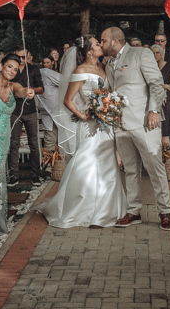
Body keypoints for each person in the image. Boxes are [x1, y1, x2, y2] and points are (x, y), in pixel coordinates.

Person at [35, 35, 127, 229]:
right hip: (90, 126)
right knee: (88, 162)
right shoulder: (81, 70)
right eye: (97, 44)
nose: (101, 45)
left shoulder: (103, 68)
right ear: (89, 51)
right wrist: (83, 115)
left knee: (109, 165)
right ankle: (80, 207)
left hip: (107, 125)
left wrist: (110, 109)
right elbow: (68, 100)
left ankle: (107, 210)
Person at [100, 27, 170, 230]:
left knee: (155, 168)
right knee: (130, 169)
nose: (101, 44)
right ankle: (133, 211)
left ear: (115, 41)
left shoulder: (141, 54)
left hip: (144, 122)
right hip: (121, 124)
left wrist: (154, 111)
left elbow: (156, 83)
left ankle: (165, 211)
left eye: (103, 41)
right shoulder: (109, 63)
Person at [0, 55, 21, 237]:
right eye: (9, 66)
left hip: (5, 139)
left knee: (1, 180)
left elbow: (24, 90)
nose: (11, 71)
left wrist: (29, 92)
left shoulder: (13, 87)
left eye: (15, 69)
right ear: (0, 65)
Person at [7, 49, 45, 184]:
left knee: (34, 143)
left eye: (24, 56)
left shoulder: (34, 69)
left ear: (28, 55)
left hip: (30, 110)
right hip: (14, 110)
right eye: (19, 56)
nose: (21, 59)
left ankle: (35, 175)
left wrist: (31, 90)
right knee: (14, 144)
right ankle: (13, 176)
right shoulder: (12, 69)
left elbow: (41, 88)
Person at [150, 44, 170, 150]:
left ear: (162, 54)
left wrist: (165, 86)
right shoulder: (148, 68)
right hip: (152, 103)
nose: (155, 55)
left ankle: (167, 159)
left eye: (157, 53)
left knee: (165, 134)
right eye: (152, 53)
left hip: (166, 102)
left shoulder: (169, 67)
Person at [36, 51, 62, 150]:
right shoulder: (44, 73)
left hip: (55, 108)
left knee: (53, 139)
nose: (45, 64)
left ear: (52, 62)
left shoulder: (53, 73)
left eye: (47, 62)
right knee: (50, 139)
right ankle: (51, 163)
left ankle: (56, 163)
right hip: (49, 109)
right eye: (44, 62)